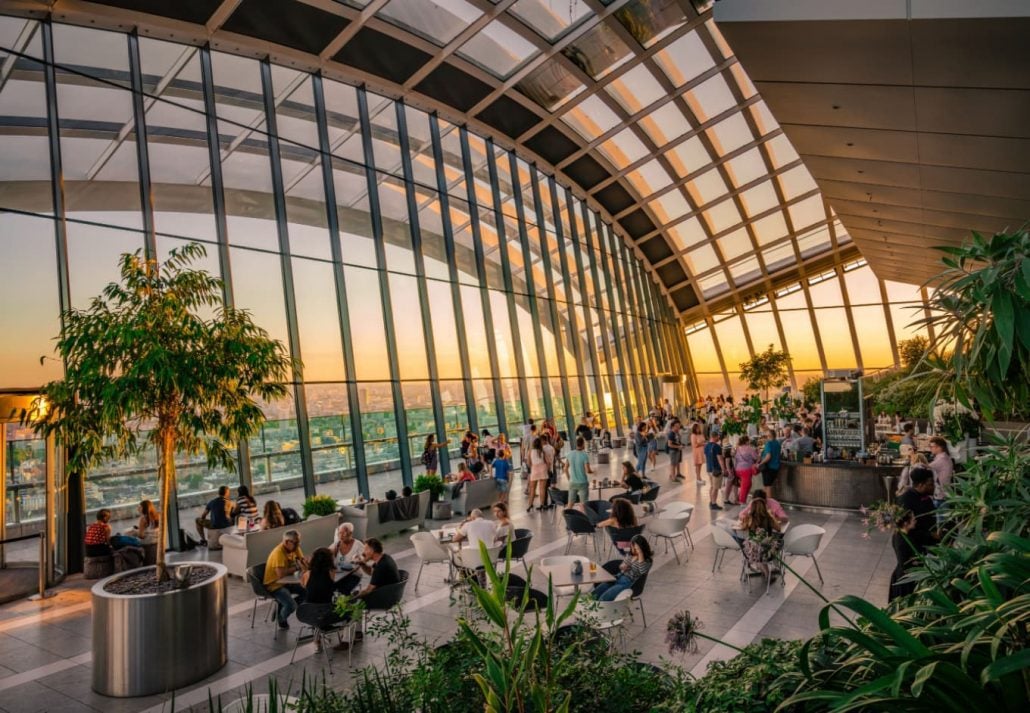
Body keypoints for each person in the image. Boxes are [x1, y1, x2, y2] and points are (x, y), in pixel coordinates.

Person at [336, 538, 400, 651]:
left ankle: (346, 640)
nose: (363, 552)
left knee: (352, 604)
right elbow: (371, 572)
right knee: (356, 598)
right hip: (390, 593)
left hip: (385, 598)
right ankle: (358, 633)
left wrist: (352, 598)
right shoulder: (384, 558)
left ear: (372, 550)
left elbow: (369, 590)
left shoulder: (381, 566)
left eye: (365, 549)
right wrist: (362, 563)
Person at [300, 547, 344, 650]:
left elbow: (303, 586)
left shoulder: (307, 574)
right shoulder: (331, 572)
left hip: (308, 612)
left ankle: (317, 642)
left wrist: (305, 568)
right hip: (327, 611)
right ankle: (326, 636)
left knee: (314, 604)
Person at [263, 529, 307, 630]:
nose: (297, 546)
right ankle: (281, 618)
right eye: (296, 543)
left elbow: (302, 561)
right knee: (291, 606)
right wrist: (297, 567)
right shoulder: (278, 553)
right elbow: (280, 574)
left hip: (287, 582)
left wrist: (306, 566)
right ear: (287, 542)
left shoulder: (294, 548)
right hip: (274, 585)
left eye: (298, 543)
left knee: (307, 591)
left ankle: (282, 606)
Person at [592, 535, 652, 602]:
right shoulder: (631, 555)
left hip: (628, 583)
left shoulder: (647, 561)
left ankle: (601, 611)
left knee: (603, 599)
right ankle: (590, 611)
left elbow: (642, 571)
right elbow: (622, 566)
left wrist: (640, 554)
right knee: (594, 595)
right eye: (633, 547)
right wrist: (623, 567)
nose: (634, 550)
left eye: (637, 549)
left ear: (642, 548)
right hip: (617, 577)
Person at [896, 466, 938, 554]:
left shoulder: (927, 499)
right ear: (920, 485)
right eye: (930, 484)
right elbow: (905, 527)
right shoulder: (906, 499)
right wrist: (930, 535)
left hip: (926, 543)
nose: (934, 487)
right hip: (911, 545)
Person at [740, 498, 782, 581]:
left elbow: (743, 527)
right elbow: (778, 528)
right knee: (762, 549)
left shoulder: (749, 517)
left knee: (754, 548)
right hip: (768, 549)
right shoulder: (769, 518)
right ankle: (766, 573)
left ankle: (762, 570)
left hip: (751, 551)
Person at [888, 510, 919, 602]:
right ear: (906, 523)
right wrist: (916, 561)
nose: (915, 520)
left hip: (902, 575)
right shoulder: (902, 541)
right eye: (913, 519)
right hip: (905, 579)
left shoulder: (898, 535)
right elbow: (904, 563)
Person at [329, 522, 364, 595]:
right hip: (338, 575)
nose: (341, 536)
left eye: (343, 533)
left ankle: (348, 601)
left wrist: (358, 560)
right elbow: (326, 554)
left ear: (350, 533)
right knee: (329, 587)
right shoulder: (336, 544)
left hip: (354, 574)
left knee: (344, 590)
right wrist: (332, 553)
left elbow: (364, 560)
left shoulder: (358, 545)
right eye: (339, 533)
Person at [565, 436, 593, 507]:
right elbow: (587, 470)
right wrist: (593, 472)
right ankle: (583, 517)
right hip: (583, 483)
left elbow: (565, 469)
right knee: (584, 505)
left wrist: (569, 479)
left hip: (572, 482)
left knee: (570, 503)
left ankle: (567, 516)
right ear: (583, 444)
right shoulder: (584, 455)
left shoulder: (569, 454)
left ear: (576, 444)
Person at [732, 435, 760, 505]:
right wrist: (758, 453)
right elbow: (756, 457)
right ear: (746, 441)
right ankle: (742, 501)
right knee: (745, 486)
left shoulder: (738, 448)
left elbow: (735, 457)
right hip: (746, 470)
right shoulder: (749, 448)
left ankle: (739, 498)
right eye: (748, 440)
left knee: (747, 484)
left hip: (738, 469)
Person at [927, 436, 954, 506]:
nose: (930, 448)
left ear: (939, 447)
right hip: (943, 494)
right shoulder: (944, 456)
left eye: (932, 446)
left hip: (941, 496)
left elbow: (926, 468)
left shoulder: (942, 459)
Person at [526, 436, 550, 512]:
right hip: (543, 469)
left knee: (532, 489)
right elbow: (548, 462)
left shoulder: (530, 451)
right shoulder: (542, 451)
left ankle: (530, 505)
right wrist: (548, 469)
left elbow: (528, 463)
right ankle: (542, 505)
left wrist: (532, 467)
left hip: (534, 470)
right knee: (542, 489)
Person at [704, 432, 726, 510]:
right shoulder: (717, 447)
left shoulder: (706, 446)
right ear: (715, 437)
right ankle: (713, 503)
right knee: (715, 488)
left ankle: (711, 501)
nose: (718, 438)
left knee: (712, 486)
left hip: (709, 469)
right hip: (716, 470)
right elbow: (720, 459)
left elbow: (706, 457)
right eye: (718, 437)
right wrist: (724, 469)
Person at [758, 428, 782, 498]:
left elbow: (768, 456)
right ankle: (766, 502)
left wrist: (761, 463)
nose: (766, 437)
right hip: (776, 467)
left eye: (766, 436)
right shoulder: (777, 443)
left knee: (767, 486)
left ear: (769, 436)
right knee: (768, 485)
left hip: (768, 467)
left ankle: (769, 504)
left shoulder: (768, 443)